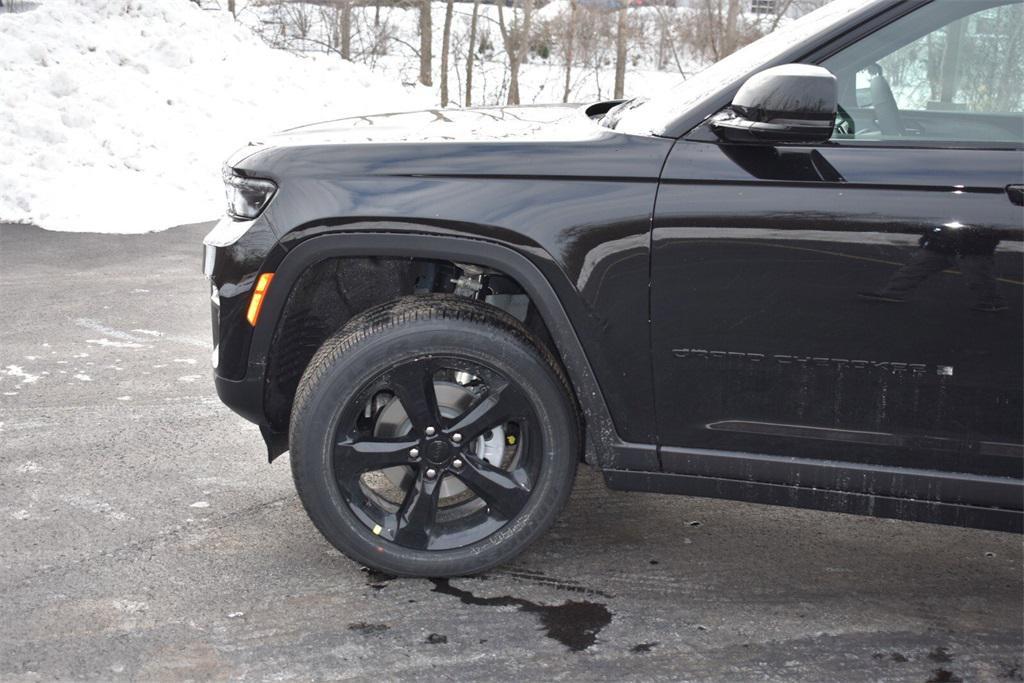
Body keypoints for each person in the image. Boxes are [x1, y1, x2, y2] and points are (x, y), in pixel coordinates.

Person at [860, 224, 1007, 312]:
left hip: (971, 249)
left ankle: (992, 301)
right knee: (913, 269)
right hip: (942, 246)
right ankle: (892, 293)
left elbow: (992, 229)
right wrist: (929, 237)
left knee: (978, 277)